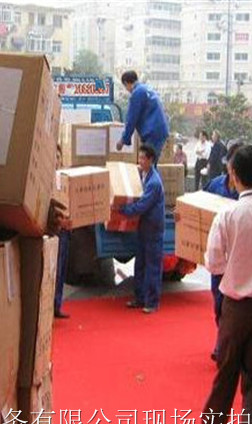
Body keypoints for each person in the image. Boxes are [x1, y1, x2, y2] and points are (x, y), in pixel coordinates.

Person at [201, 144, 252, 424]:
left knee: (225, 379)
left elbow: (214, 263)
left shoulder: (227, 215)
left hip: (234, 308)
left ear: (233, 174)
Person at [203, 141, 242, 361]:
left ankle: (224, 346)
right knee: (218, 303)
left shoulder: (243, 196)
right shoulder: (216, 184)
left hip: (236, 259)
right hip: (219, 258)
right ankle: (222, 340)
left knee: (233, 306)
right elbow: (198, 205)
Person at [119, 144, 165, 313]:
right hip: (143, 228)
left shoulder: (154, 182)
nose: (140, 161)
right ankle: (140, 298)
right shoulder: (142, 175)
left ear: (151, 160)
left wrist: (123, 210)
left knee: (152, 266)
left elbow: (142, 206)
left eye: (143, 158)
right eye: (139, 157)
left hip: (153, 229)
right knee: (140, 265)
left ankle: (152, 302)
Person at [115, 70, 169, 160]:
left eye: (125, 87)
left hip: (152, 132)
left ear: (126, 83)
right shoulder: (146, 88)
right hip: (159, 130)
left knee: (147, 162)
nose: (127, 90)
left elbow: (131, 119)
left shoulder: (137, 93)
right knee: (151, 161)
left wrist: (123, 140)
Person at [49, 145, 71, 319]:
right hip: (53, 231)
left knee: (62, 269)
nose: (56, 160)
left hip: (66, 230)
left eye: (58, 157)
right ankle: (49, 307)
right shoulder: (47, 180)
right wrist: (57, 221)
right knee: (53, 270)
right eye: (54, 156)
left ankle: (57, 304)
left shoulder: (64, 179)